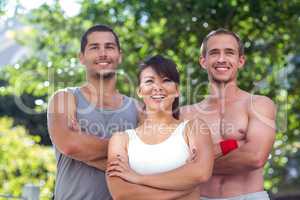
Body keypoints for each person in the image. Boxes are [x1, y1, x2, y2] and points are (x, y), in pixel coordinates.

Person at [181, 28, 276, 200]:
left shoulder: (259, 104)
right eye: (214, 53)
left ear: (240, 61)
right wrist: (234, 145)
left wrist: (198, 163)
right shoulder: (186, 114)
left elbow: (255, 157)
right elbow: (173, 163)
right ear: (203, 61)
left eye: (229, 53)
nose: (222, 59)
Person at [47, 24, 140, 200]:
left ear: (120, 56)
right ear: (81, 57)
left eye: (109, 47)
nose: (103, 53)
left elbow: (146, 160)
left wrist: (86, 148)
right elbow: (70, 145)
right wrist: (128, 148)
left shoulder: (138, 108)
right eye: (94, 47)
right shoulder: (65, 98)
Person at [106, 55, 214, 200]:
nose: (157, 87)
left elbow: (201, 173)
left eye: (166, 80)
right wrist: (185, 185)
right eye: (149, 81)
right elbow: (122, 193)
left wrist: (138, 178)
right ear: (139, 91)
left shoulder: (194, 128)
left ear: (177, 90)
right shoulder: (121, 140)